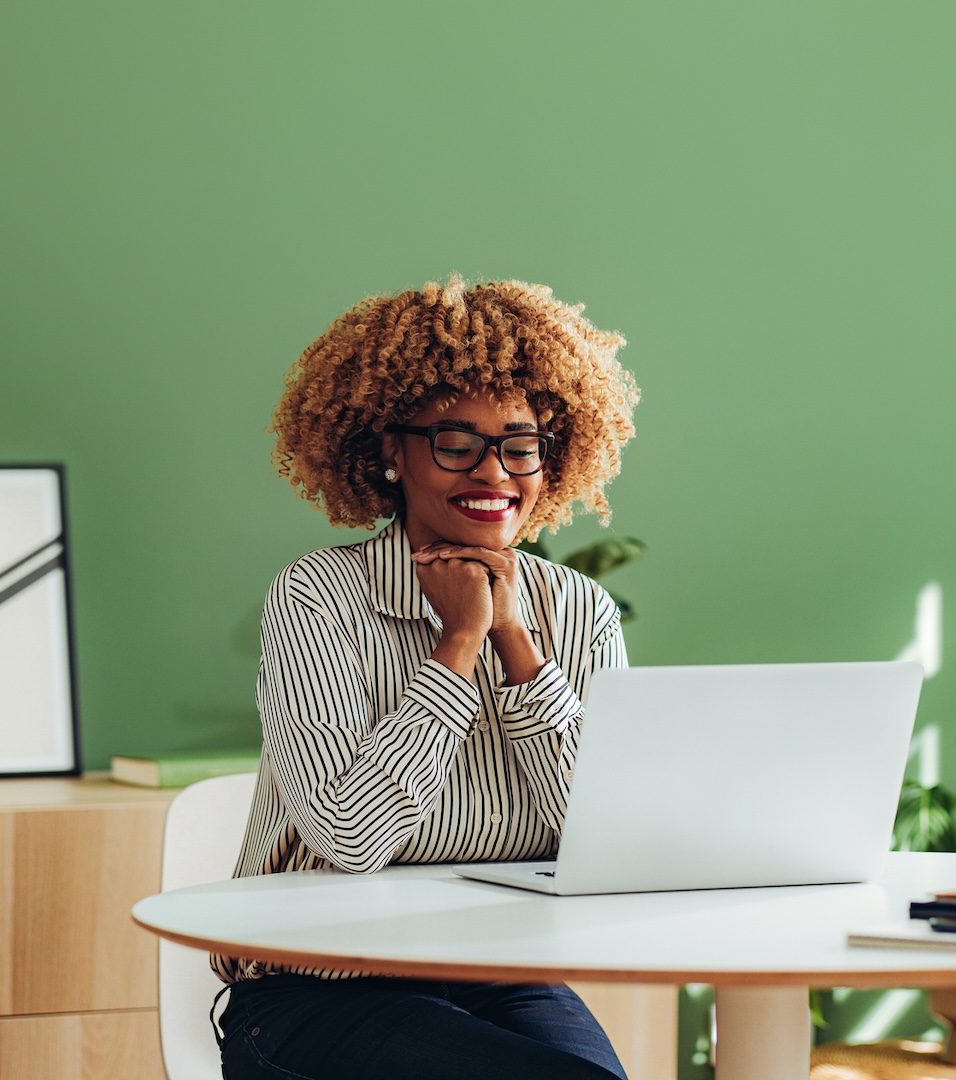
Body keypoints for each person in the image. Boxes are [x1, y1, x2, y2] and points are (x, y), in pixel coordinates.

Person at [214, 276, 641, 1080]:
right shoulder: (318, 597)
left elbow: (606, 840)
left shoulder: (580, 610)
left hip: (500, 977)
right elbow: (350, 837)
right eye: (456, 442)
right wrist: (460, 643)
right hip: (316, 990)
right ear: (389, 451)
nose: (495, 473)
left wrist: (516, 644)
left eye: (521, 444)